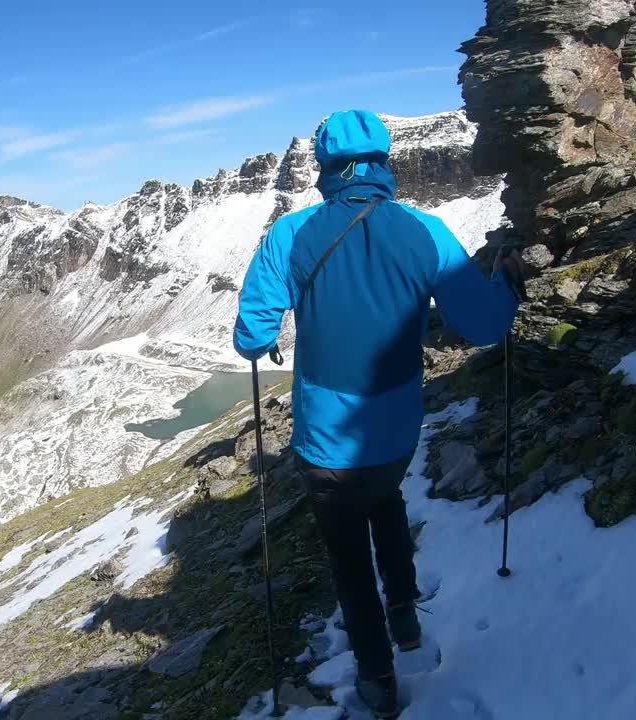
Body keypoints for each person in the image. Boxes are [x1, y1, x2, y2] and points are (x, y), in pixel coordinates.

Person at [232, 109, 522, 717]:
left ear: (325, 166)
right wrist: (506, 285)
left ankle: (377, 678)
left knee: (346, 556)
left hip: (324, 440)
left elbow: (252, 337)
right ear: (386, 161)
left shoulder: (291, 234)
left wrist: (270, 338)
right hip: (395, 431)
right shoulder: (428, 232)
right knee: (386, 500)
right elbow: (484, 324)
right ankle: (405, 616)